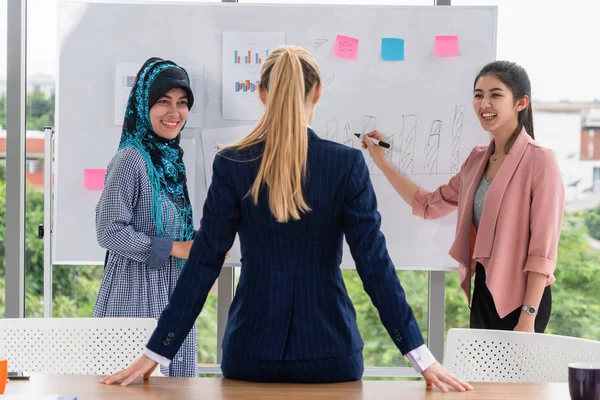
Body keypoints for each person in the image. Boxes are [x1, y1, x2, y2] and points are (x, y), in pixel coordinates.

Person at [100, 46, 472, 392]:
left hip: (251, 351)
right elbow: (374, 265)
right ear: (318, 92)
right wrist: (420, 356)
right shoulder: (345, 165)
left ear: (261, 93)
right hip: (330, 353)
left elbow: (202, 264)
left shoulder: (232, 164)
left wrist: (157, 351)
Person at [362, 61, 564, 333]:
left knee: (516, 377)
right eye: (478, 95)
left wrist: (528, 314)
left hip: (524, 299)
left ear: (520, 102)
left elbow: (543, 249)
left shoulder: (540, 161)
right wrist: (382, 162)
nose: (484, 104)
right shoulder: (477, 159)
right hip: (483, 291)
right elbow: (429, 205)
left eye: (495, 94)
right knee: (481, 377)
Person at [93, 57, 198, 377]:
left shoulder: (171, 163)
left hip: (172, 296)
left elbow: (171, 227)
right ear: (143, 103)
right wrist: (178, 249)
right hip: (133, 294)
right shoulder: (130, 159)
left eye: (182, 103)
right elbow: (109, 231)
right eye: (163, 101)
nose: (174, 112)